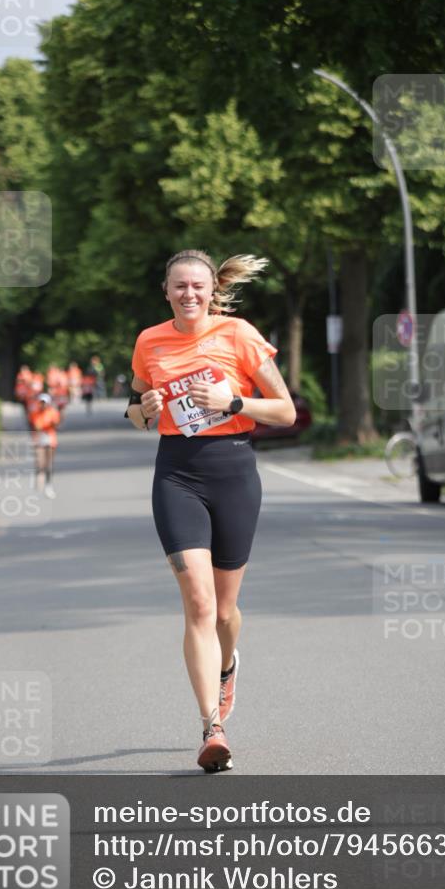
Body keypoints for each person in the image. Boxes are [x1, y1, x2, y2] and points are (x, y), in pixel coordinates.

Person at [126, 250, 295, 772]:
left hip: (235, 472)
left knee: (224, 611)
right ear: (166, 290)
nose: (189, 294)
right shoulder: (149, 342)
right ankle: (211, 728)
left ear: (210, 289)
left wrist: (233, 402)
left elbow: (287, 411)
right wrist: (144, 411)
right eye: (179, 286)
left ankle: (227, 667)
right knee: (198, 604)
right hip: (176, 473)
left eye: (197, 285)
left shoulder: (240, 335)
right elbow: (133, 409)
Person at [28, 393, 61, 498]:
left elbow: (56, 425)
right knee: (39, 462)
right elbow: (32, 426)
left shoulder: (53, 413)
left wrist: (52, 423)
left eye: (44, 403)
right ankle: (37, 482)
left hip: (50, 438)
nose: (42, 405)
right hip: (39, 438)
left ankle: (48, 485)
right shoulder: (34, 414)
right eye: (41, 402)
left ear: (48, 403)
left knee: (48, 464)